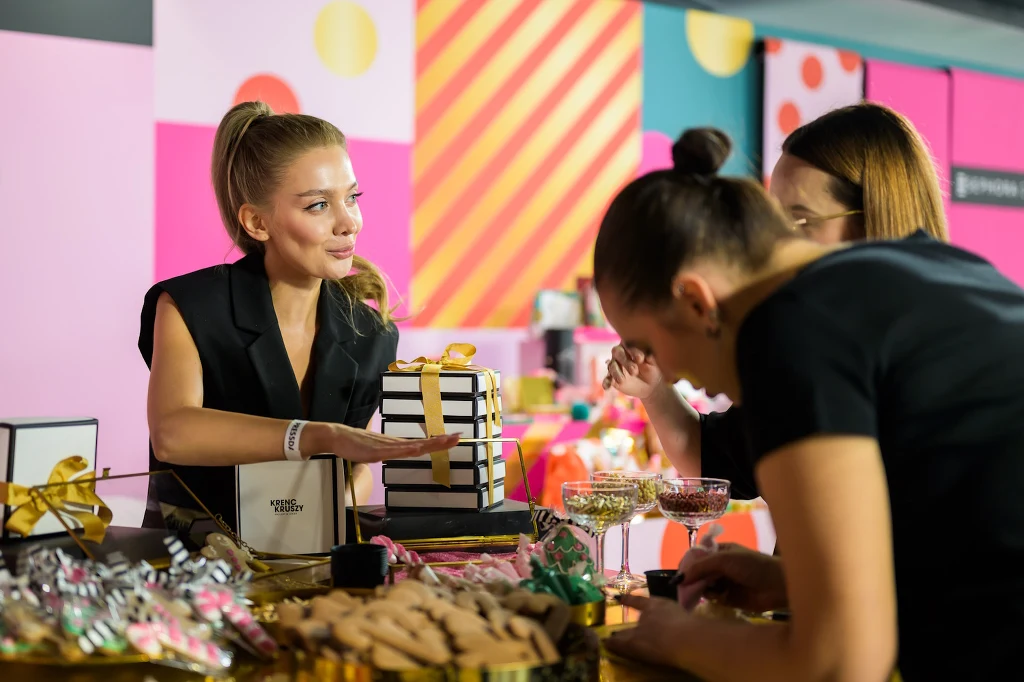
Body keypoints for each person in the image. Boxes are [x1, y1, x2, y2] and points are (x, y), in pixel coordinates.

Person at [596, 127, 1024, 680]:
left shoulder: (793, 328)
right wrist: (792, 580)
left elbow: (840, 665)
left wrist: (681, 637)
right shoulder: (930, 267)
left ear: (696, 300)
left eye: (652, 346)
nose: (670, 372)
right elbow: (968, 529)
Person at [138, 101, 457, 533]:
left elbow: (355, 470)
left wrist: (329, 508)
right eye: (318, 206)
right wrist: (315, 437)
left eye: (352, 197)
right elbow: (173, 432)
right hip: (191, 574)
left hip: (311, 568)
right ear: (256, 221)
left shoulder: (371, 334)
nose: (349, 223)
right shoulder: (189, 305)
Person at [606, 103, 949, 499]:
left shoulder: (836, 357)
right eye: (772, 221)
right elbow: (727, 460)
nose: (775, 248)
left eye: (798, 222)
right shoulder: (826, 342)